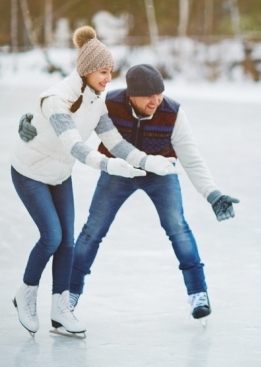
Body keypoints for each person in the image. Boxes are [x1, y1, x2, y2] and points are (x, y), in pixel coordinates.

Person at [20, 64, 239, 323]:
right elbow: (64, 116)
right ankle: (69, 295)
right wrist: (31, 121)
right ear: (131, 95)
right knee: (92, 231)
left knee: (178, 227)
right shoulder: (109, 104)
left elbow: (191, 158)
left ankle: (198, 293)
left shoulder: (173, 112)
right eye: (149, 95)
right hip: (118, 171)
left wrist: (212, 194)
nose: (156, 100)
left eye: (159, 93)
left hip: (160, 173)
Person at [11, 26, 178, 338]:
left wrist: (145, 160)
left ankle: (61, 310)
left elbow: (114, 141)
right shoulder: (56, 100)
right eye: (103, 71)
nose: (108, 78)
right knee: (51, 236)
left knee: (68, 242)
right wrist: (109, 166)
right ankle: (26, 293)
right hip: (30, 171)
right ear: (87, 70)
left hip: (59, 174)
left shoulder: (96, 100)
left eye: (110, 71)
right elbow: (74, 145)